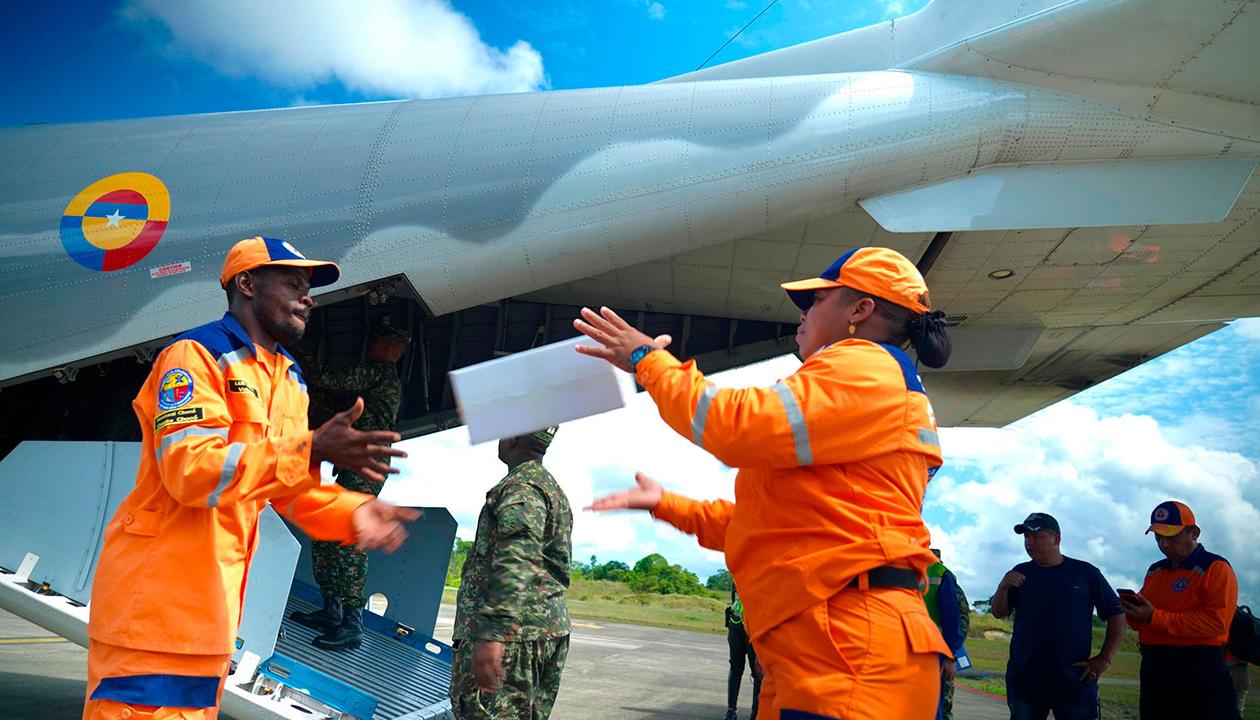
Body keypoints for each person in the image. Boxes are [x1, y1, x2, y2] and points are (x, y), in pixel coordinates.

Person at [578, 246, 954, 720]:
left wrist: (647, 360)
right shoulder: (866, 384)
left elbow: (734, 427)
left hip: (847, 648)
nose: (801, 313)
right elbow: (774, 522)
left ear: (860, 310)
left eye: (815, 301)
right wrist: (667, 504)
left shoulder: (865, 366)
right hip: (827, 643)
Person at [83, 236, 420, 719]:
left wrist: (354, 510)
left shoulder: (289, 379)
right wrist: (309, 447)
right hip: (155, 611)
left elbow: (291, 490)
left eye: (309, 288)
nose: (308, 297)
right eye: (293, 283)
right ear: (246, 284)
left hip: (211, 618)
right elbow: (190, 471)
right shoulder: (195, 357)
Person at [290, 319, 410, 651]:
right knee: (329, 533)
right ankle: (332, 611)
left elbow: (329, 380)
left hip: (366, 466)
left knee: (347, 536)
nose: (371, 346)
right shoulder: (382, 380)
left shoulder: (380, 372)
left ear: (388, 347)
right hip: (360, 464)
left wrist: (296, 349)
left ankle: (352, 624)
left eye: (376, 341)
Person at [450, 426, 571, 720]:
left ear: (514, 437)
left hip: (514, 639)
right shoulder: (548, 486)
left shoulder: (522, 488)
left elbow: (517, 557)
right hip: (537, 632)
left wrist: (494, 635)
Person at [989, 512, 1125, 720]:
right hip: (1026, 677)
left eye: (1036, 536)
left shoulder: (1085, 573)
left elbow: (1117, 614)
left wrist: (1104, 659)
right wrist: (1003, 587)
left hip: (1073, 677)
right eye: (1026, 537)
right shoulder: (1020, 573)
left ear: (1057, 539)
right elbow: (999, 613)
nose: (1029, 543)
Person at [1121, 501, 1240, 720]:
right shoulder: (1155, 570)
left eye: (1172, 537)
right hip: (1155, 668)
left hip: (1198, 668)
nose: (1164, 544)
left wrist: (1154, 617)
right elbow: (1142, 619)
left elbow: (1215, 622)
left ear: (1193, 533)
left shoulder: (1215, 568)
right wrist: (1132, 613)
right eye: (1158, 537)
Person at [925, 550, 970, 720]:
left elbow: (956, 618)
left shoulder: (942, 575)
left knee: (938, 706)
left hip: (937, 653)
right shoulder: (939, 573)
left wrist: (951, 654)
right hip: (933, 651)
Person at [724, 586, 762, 720]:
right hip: (736, 623)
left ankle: (755, 713)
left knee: (757, 671)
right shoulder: (741, 570)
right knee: (735, 667)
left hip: (755, 625)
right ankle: (731, 710)